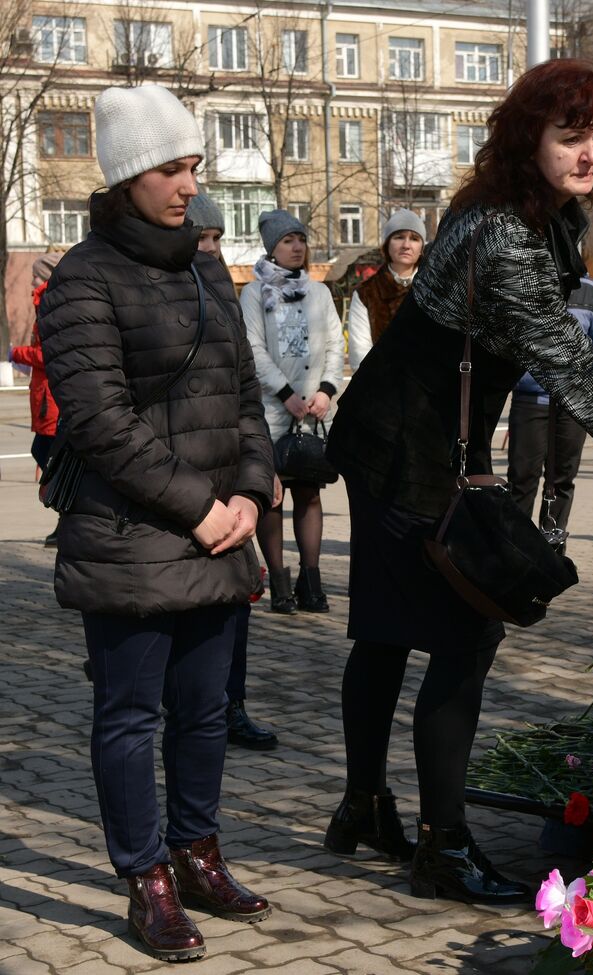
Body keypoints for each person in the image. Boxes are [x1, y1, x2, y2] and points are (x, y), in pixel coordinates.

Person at [322, 59, 593, 904]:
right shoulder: (504, 232)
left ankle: (364, 808)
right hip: (400, 445)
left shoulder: (541, 215)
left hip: (413, 434)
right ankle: (439, 847)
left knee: (385, 631)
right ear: (531, 139)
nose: (589, 153)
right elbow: (577, 374)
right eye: (571, 136)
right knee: (463, 630)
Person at [39, 83, 275, 962]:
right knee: (132, 716)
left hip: (219, 530)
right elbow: (99, 421)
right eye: (172, 168)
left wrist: (252, 489)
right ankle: (146, 879)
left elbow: (245, 396)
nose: (189, 184)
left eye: (194, 166)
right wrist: (205, 506)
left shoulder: (208, 265)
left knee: (205, 712)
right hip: (132, 537)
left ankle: (200, 851)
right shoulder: (82, 276)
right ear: (129, 174)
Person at [185, 192, 280, 751]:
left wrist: (257, 465)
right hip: (172, 476)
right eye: (203, 238)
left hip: (225, 469)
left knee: (232, 602)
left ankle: (231, 704)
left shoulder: (224, 288)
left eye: (218, 240)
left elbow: (244, 391)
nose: (212, 250)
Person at [241, 210, 345, 614]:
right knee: (271, 496)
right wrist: (284, 392)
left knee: (310, 495)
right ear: (272, 247)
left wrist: (326, 390)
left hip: (314, 413)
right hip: (271, 410)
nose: (297, 246)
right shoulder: (253, 293)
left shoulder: (319, 293)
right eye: (287, 241)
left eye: (300, 239)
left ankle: (311, 581)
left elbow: (336, 345)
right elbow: (252, 348)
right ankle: (279, 584)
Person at [507, 276, 593, 537]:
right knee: (522, 477)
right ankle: (516, 545)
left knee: (562, 480)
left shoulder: (590, 291)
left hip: (574, 401)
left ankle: (553, 543)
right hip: (530, 399)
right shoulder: (524, 278)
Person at [11, 252, 63, 546]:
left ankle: (69, 511)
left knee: (47, 456)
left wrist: (16, 354)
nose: (31, 279)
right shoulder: (43, 300)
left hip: (53, 398)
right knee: (47, 455)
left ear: (45, 275)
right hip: (47, 396)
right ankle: (65, 516)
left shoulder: (49, 302)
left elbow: (48, 353)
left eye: (34, 274)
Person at [347, 209, 427, 371]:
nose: (406, 245)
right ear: (386, 245)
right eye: (399, 237)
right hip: (381, 388)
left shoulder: (435, 290)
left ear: (421, 248)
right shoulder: (366, 293)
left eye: (414, 238)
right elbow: (360, 354)